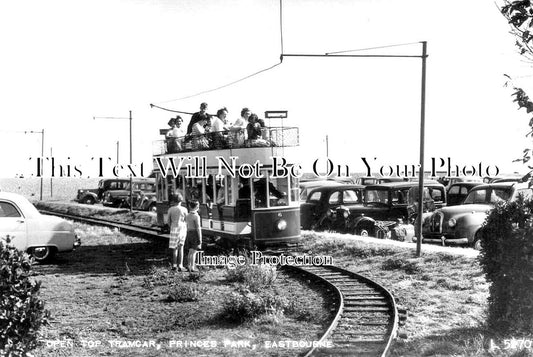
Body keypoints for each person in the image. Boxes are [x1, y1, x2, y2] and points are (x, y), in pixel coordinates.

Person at [166, 193, 188, 271]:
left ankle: (174, 265)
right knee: (181, 248)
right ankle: (181, 265)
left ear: (173, 201)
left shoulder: (171, 209)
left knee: (174, 249)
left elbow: (168, 221)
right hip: (182, 229)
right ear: (181, 200)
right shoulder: (184, 209)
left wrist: (171, 226)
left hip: (174, 228)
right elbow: (186, 220)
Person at [185, 201, 202, 272]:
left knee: (190, 251)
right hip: (195, 233)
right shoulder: (196, 216)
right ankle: (192, 267)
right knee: (194, 252)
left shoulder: (187, 215)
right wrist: (200, 238)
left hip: (188, 233)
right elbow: (198, 228)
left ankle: (188, 265)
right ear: (196, 207)